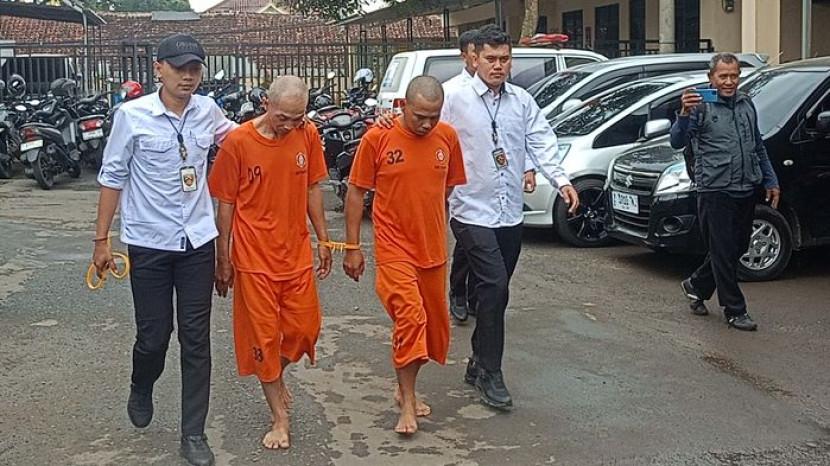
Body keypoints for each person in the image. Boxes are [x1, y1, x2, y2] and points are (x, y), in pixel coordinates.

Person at [92, 33, 236, 466]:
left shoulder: (208, 110)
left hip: (197, 242)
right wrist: (101, 240)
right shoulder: (132, 116)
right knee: (154, 337)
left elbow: (246, 139)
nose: (188, 76)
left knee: (196, 340)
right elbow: (112, 177)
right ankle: (142, 384)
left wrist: (291, 120)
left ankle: (193, 434)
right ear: (159, 69)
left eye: (195, 69)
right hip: (149, 243)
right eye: (179, 68)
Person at [442, 25, 579, 410]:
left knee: (495, 294)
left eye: (505, 59)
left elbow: (541, 140)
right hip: (470, 209)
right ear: (475, 58)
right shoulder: (453, 97)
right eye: (491, 58)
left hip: (509, 213)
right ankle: (491, 372)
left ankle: (477, 361)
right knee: (495, 284)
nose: (498, 66)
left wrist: (562, 180)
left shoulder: (521, 100)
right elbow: (421, 127)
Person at [208, 76, 332, 449]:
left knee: (305, 331)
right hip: (253, 259)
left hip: (295, 254)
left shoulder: (307, 134)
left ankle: (273, 372)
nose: (291, 125)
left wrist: (323, 239)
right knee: (262, 338)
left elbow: (313, 187)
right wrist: (223, 258)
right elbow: (226, 205)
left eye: (299, 117)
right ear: (266, 104)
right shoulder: (238, 143)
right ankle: (280, 417)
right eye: (283, 117)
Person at [342, 76, 467, 435]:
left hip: (432, 249)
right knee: (410, 318)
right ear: (403, 107)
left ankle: (404, 386)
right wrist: (352, 247)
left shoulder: (447, 138)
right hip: (393, 248)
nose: (426, 124)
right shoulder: (378, 138)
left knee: (432, 331)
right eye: (419, 116)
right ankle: (408, 401)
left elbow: (446, 188)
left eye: (433, 116)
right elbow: (356, 193)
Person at [670, 52, 780, 331]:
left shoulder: (746, 103)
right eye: (723, 76)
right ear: (711, 78)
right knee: (721, 251)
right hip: (714, 189)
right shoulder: (699, 106)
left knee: (738, 247)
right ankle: (735, 310)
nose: (729, 82)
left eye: (734, 76)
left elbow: (757, 145)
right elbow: (677, 141)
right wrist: (683, 114)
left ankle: (696, 285)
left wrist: (770, 180)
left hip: (746, 185)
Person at [444, 28, 479, 323]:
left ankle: (478, 296)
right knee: (469, 240)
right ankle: (458, 291)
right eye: (474, 54)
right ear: (464, 56)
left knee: (490, 243)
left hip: (492, 179)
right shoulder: (451, 92)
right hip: (461, 178)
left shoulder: (505, 92)